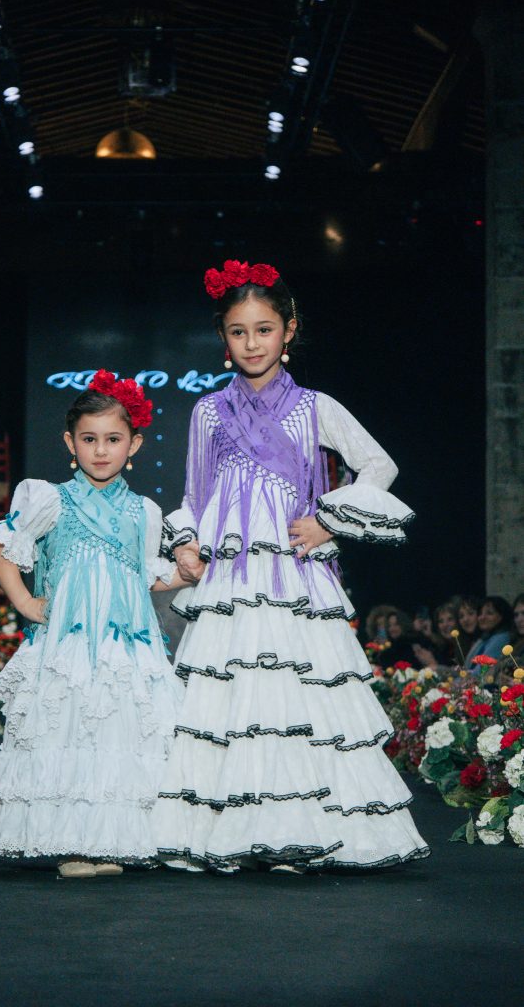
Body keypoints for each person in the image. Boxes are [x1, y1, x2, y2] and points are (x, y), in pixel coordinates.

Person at [151, 259, 429, 873]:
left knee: (297, 702)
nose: (252, 343)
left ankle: (303, 834)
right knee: (232, 704)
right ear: (223, 338)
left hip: (294, 578)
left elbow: (379, 465)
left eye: (264, 329)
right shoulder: (207, 412)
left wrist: (330, 520)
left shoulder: (315, 407)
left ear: (289, 330)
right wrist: (186, 544)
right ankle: (232, 834)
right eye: (239, 331)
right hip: (231, 581)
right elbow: (194, 496)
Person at [0, 371, 194, 878]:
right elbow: (1, 547)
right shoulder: (49, 499)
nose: (101, 450)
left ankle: (109, 841)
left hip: (127, 643)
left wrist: (182, 576)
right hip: (70, 644)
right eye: (89, 439)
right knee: (68, 731)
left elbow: (144, 574)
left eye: (113, 439)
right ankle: (72, 844)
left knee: (118, 736)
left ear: (133, 445)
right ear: (70, 443)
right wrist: (25, 601)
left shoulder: (145, 510)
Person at [465, 595, 513, 672]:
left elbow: (481, 672)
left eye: (489, 613)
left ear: (502, 616)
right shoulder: (485, 637)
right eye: (480, 613)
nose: (482, 617)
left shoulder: (501, 638)